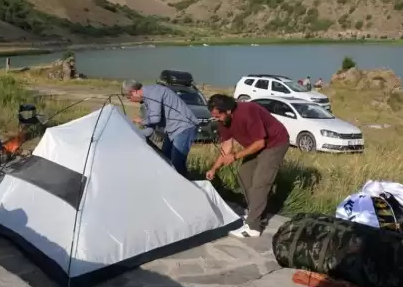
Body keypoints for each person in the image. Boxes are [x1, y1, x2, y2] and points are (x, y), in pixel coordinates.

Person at [205, 94, 290, 238]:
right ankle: (257, 214)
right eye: (215, 117)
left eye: (218, 116)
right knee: (244, 175)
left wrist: (236, 156)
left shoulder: (248, 112)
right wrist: (214, 168)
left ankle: (253, 227)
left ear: (228, 111)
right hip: (255, 146)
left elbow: (260, 143)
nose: (217, 120)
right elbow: (227, 146)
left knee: (260, 182)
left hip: (275, 143)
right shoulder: (224, 121)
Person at [122, 79, 198, 177]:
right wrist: (137, 135)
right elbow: (151, 127)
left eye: (129, 97)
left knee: (177, 163)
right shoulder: (147, 97)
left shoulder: (153, 93)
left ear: (134, 92)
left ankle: (186, 186)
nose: (131, 100)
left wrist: (141, 120)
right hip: (171, 130)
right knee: (165, 159)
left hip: (184, 127)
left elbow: (154, 119)